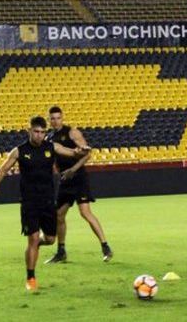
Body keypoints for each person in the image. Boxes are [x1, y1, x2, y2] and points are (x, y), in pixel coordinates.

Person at [0, 116, 90, 291]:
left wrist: (82, 150)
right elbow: (3, 169)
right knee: (32, 239)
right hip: (29, 203)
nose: (39, 135)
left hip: (48, 202)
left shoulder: (52, 147)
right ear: (29, 131)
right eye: (36, 131)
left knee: (49, 239)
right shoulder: (19, 151)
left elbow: (72, 153)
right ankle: (31, 277)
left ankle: (36, 246)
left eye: (42, 132)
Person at [44, 106, 112, 264]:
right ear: (49, 120)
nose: (55, 121)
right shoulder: (49, 138)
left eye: (58, 118)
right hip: (64, 179)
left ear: (62, 118)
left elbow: (87, 153)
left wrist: (73, 169)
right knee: (59, 215)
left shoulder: (72, 132)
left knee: (85, 212)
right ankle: (61, 251)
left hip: (78, 177)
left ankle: (105, 246)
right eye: (52, 118)